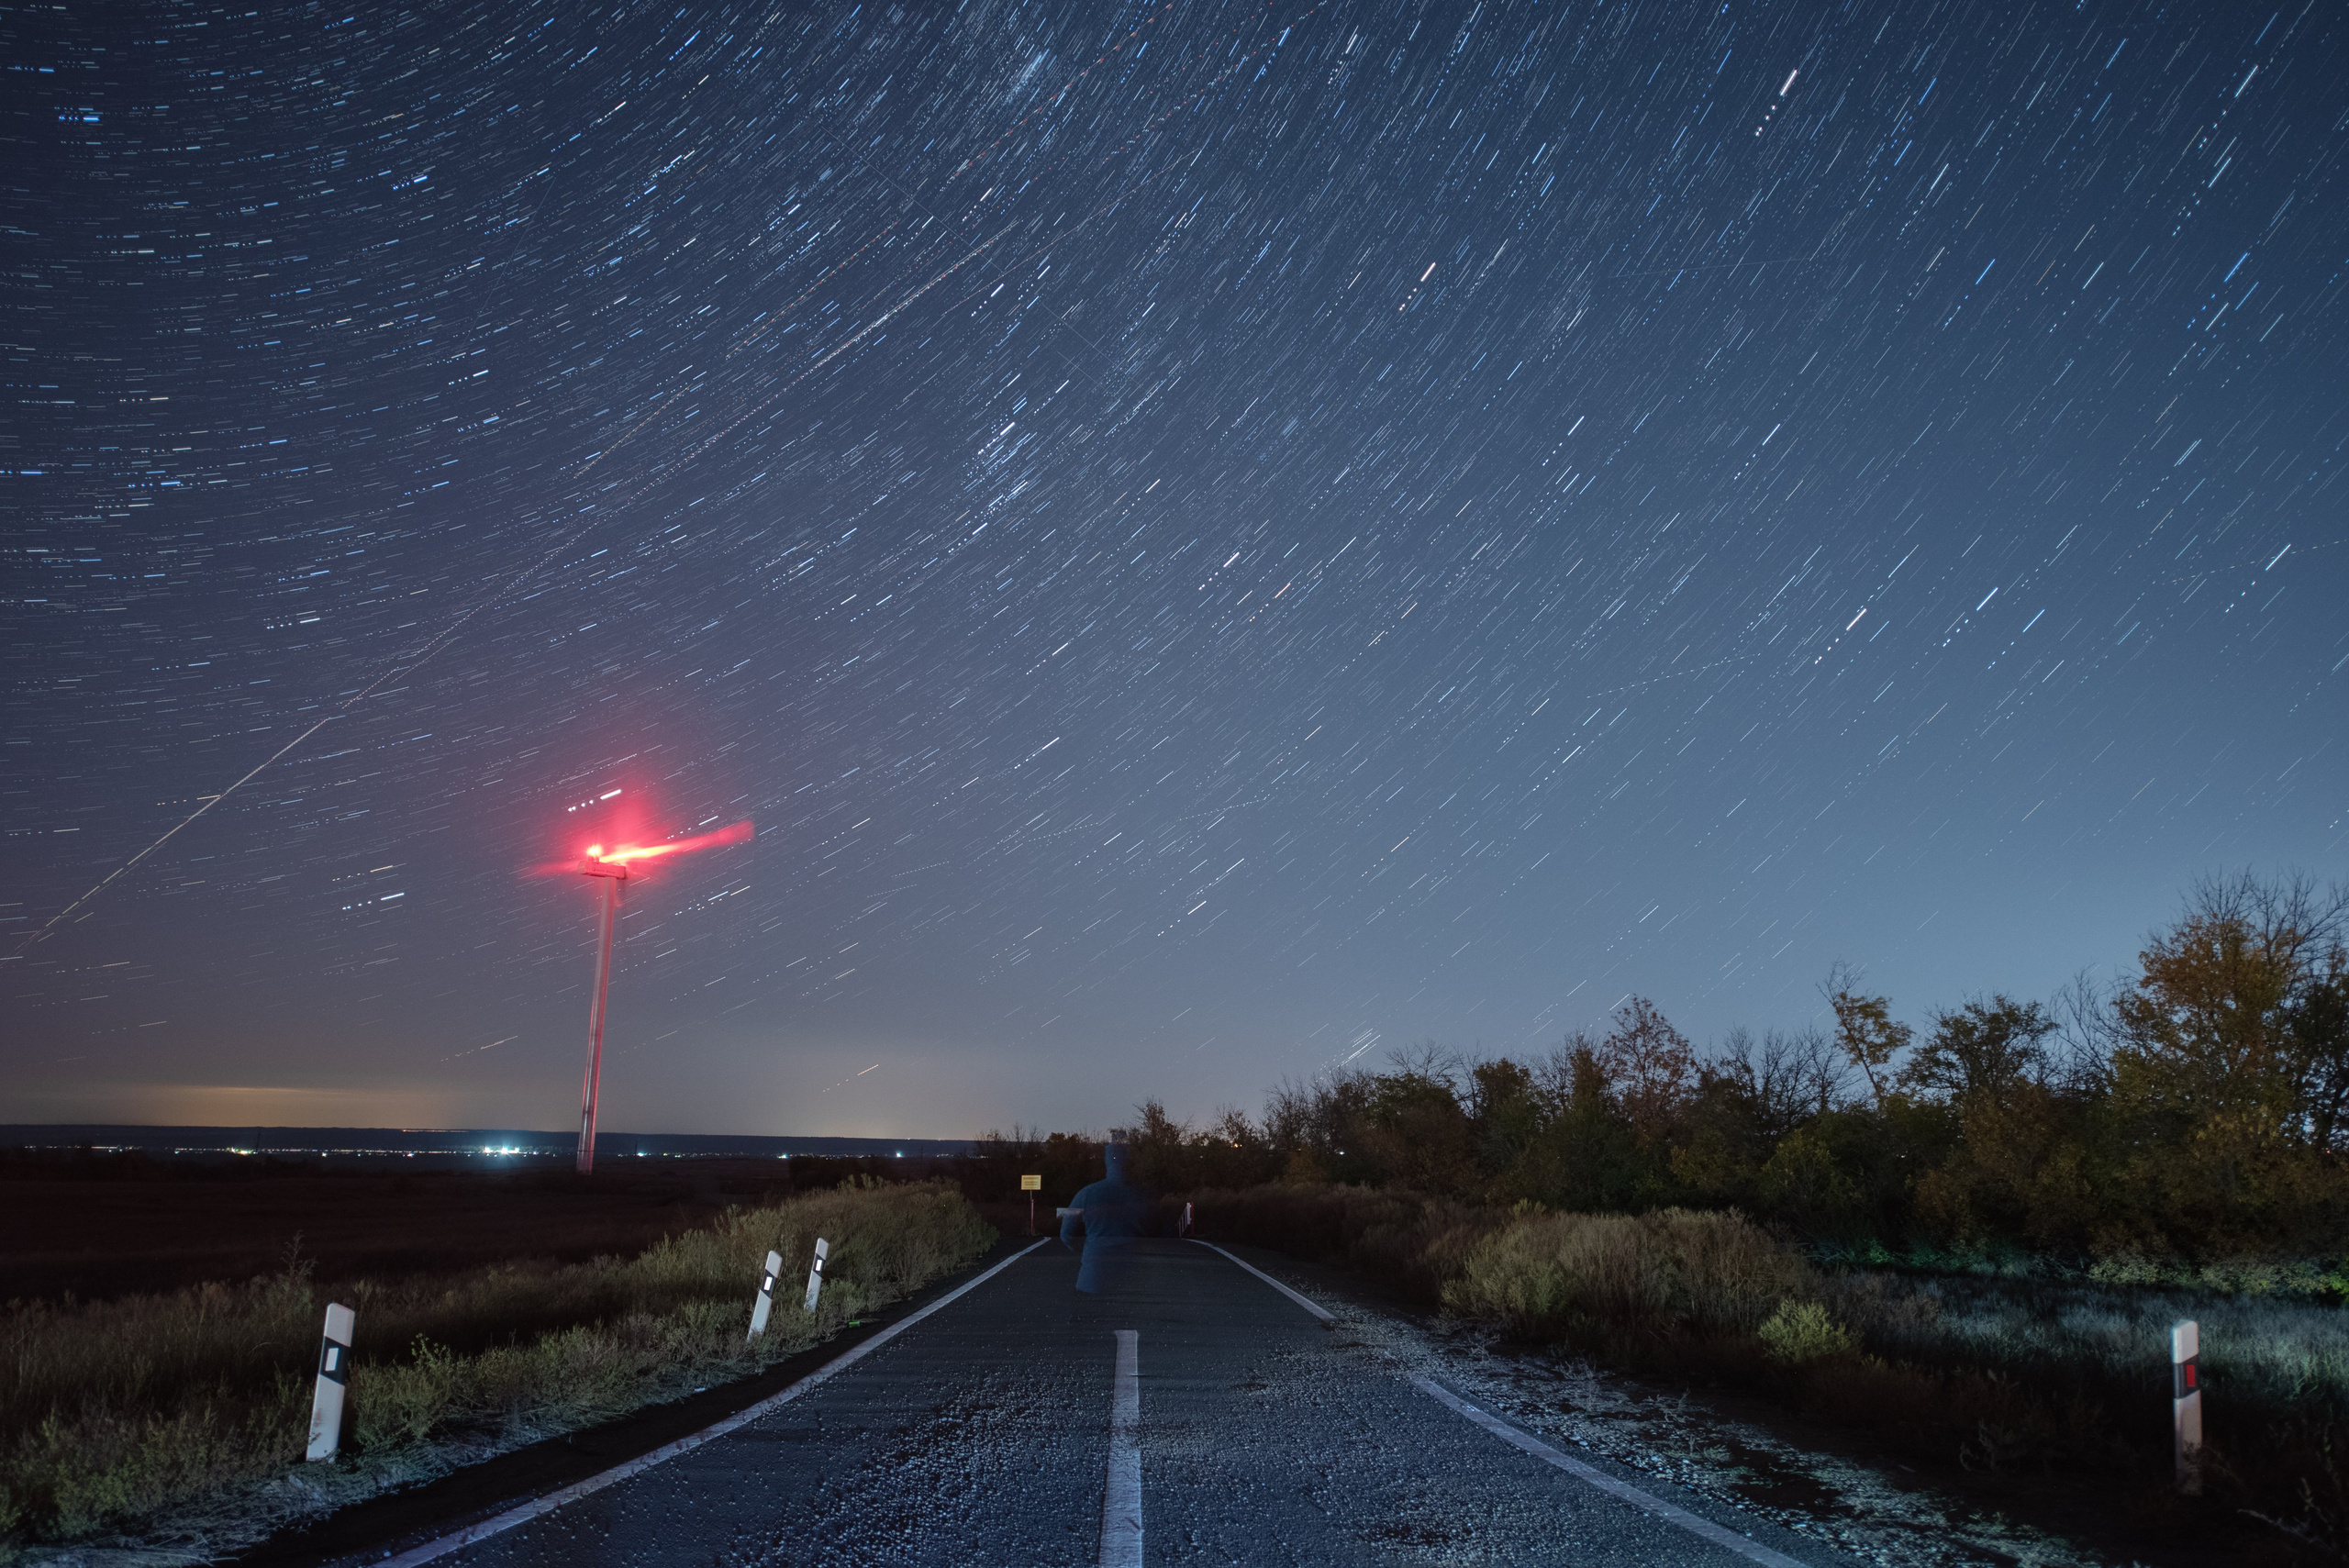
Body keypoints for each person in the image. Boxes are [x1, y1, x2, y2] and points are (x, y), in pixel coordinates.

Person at [1060, 1140, 1146, 1294]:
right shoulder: (1143, 1195)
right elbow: (1162, 1234)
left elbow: (1067, 1233)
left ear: (1106, 1162)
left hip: (1093, 1279)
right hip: (1134, 1279)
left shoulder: (1085, 1194)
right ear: (1128, 1161)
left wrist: (1090, 1248)